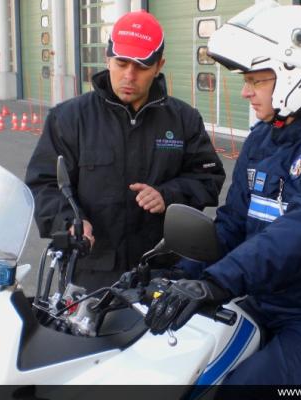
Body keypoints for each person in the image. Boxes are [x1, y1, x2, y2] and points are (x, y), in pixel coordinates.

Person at [145, 1, 301, 385]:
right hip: (267, 297)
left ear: (297, 74)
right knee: (183, 368)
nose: (246, 93)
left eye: (256, 80)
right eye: (247, 81)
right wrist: (176, 271)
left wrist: (218, 282)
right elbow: (233, 224)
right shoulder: (263, 138)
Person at [25, 10, 225, 291]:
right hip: (90, 273)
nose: (129, 75)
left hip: (162, 269)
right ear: (107, 59)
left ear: (159, 66)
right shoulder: (68, 118)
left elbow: (209, 179)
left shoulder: (184, 119)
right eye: (121, 63)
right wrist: (70, 222)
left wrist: (168, 195)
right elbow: (43, 184)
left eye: (141, 66)